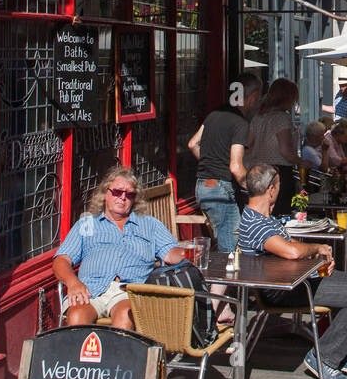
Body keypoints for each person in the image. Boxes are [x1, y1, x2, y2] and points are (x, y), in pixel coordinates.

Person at [237, 163, 347, 379]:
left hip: (301, 279)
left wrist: (316, 257)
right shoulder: (255, 223)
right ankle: (323, 357)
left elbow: (288, 245)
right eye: (278, 186)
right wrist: (317, 248)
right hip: (287, 289)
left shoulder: (262, 218)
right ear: (271, 189)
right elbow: (290, 251)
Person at [53, 167, 184, 329]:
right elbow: (61, 260)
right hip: (90, 290)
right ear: (105, 193)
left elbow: (171, 254)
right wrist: (73, 283)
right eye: (117, 192)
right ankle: (77, 355)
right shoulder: (87, 224)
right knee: (77, 316)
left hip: (129, 291)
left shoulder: (150, 224)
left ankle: (117, 354)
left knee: (125, 315)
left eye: (129, 194)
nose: (123, 197)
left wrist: (189, 252)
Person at [188, 73, 262, 253]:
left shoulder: (214, 114)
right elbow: (236, 167)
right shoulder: (240, 123)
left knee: (226, 242)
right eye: (257, 98)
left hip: (203, 187)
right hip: (220, 190)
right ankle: (223, 280)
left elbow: (192, 144)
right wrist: (254, 191)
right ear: (252, 97)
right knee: (230, 248)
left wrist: (212, 164)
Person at [244, 77, 308, 215]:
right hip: (278, 172)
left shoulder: (258, 116)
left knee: (261, 213)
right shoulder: (281, 118)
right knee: (281, 213)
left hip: (258, 172)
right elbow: (285, 151)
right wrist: (302, 161)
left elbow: (248, 145)